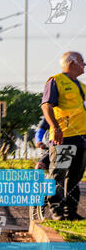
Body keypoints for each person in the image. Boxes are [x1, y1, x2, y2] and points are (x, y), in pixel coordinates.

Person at [41, 51, 86, 221]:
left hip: (81, 138)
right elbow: (46, 106)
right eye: (82, 61)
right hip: (63, 137)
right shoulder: (56, 81)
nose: (84, 64)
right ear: (72, 62)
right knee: (59, 174)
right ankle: (56, 210)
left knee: (75, 176)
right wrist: (55, 127)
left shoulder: (81, 87)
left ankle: (70, 211)